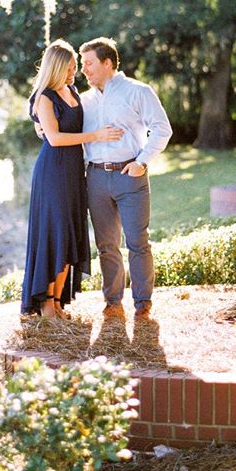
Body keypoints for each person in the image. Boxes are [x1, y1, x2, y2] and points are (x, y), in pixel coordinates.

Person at [21, 39, 123, 318]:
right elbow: (53, 138)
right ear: (55, 67)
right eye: (69, 67)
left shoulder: (73, 91)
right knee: (55, 233)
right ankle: (45, 304)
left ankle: (57, 301)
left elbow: (81, 119)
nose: (74, 71)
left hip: (75, 172)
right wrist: (95, 136)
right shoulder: (45, 97)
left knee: (71, 234)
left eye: (75, 66)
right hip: (52, 172)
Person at [80, 37, 172, 321]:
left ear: (107, 63)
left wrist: (141, 162)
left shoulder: (138, 91)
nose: (84, 69)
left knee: (137, 241)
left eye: (89, 63)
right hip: (95, 178)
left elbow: (162, 128)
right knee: (106, 245)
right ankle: (112, 300)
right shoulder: (84, 100)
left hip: (129, 177)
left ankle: (143, 302)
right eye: (83, 64)